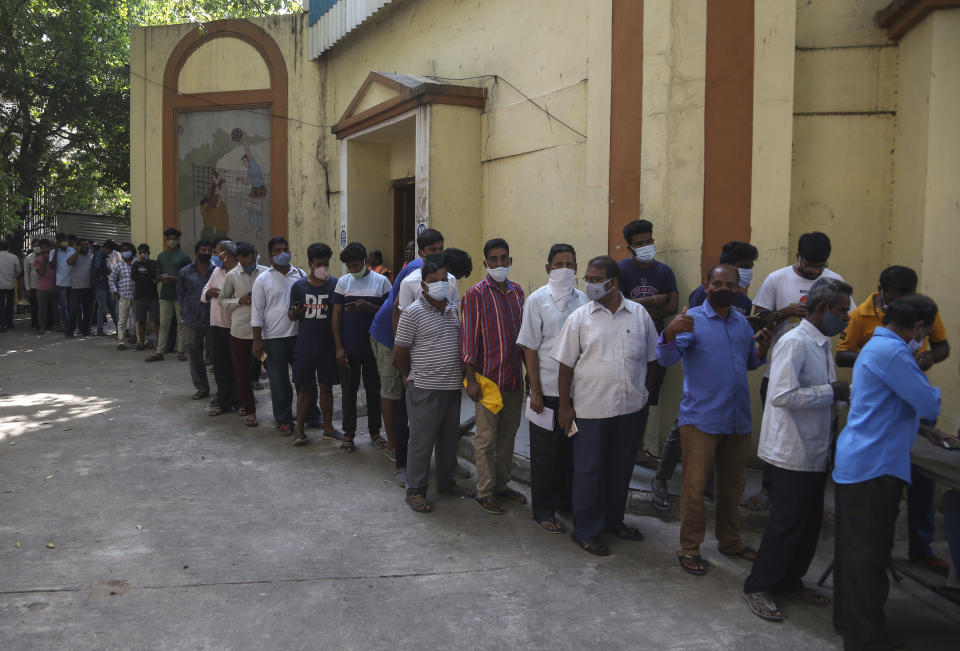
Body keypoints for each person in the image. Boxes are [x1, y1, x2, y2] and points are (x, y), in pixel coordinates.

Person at [832, 295, 945, 650]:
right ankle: (866, 639)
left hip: (864, 461)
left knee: (855, 554)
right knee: (869, 557)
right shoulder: (894, 353)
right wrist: (929, 398)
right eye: (924, 332)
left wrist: (922, 429)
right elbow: (928, 403)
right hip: (873, 467)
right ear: (918, 328)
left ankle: (848, 622)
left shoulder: (878, 345)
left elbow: (886, 403)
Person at [742, 277, 853, 622]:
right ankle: (758, 585)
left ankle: (790, 581)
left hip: (815, 448)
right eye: (841, 311)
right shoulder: (795, 342)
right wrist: (830, 392)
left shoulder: (820, 343)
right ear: (821, 309)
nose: (846, 318)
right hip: (791, 450)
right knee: (786, 523)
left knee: (808, 523)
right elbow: (782, 395)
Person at [657, 264, 772, 576]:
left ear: (739, 290)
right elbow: (666, 359)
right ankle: (690, 547)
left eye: (731, 285)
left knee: (732, 488)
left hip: (737, 419)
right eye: (718, 284)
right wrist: (669, 332)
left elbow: (750, 362)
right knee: (694, 489)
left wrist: (762, 349)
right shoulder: (692, 319)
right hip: (700, 420)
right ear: (706, 287)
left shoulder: (741, 324)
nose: (725, 289)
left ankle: (730, 541)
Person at [837, 265, 952, 575]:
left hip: (896, 420)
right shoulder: (883, 342)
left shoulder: (907, 327)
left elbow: (942, 346)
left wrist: (928, 359)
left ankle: (921, 546)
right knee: (869, 553)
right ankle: (861, 621)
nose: (923, 338)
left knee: (921, 487)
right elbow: (928, 399)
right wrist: (903, 372)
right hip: (875, 458)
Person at [553, 255, 657, 554]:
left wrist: (644, 394)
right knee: (589, 473)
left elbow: (651, 360)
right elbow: (565, 366)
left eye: (596, 279)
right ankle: (586, 530)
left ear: (614, 283)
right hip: (591, 412)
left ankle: (614, 522)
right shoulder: (580, 318)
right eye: (588, 278)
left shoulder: (639, 315)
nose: (590, 285)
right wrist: (564, 406)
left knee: (620, 470)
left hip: (630, 410)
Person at [746, 231, 853, 510]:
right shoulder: (777, 279)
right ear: (798, 257)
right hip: (780, 366)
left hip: (818, 363)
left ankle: (809, 489)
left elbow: (847, 321)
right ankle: (769, 489)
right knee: (780, 432)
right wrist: (784, 312)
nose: (814, 270)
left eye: (820, 266)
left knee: (819, 429)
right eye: (809, 265)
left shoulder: (834, 282)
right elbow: (756, 322)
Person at [651, 240, 759, 510]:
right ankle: (662, 478)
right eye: (744, 267)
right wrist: (671, 334)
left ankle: (726, 526)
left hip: (733, 408)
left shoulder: (741, 304)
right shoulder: (701, 301)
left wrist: (763, 346)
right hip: (701, 402)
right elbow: (674, 350)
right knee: (683, 435)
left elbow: (747, 356)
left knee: (729, 481)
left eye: (747, 271)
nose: (746, 274)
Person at [517, 243, 588, 534]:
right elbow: (530, 348)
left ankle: (567, 503)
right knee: (545, 453)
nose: (564, 269)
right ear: (547, 268)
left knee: (572, 452)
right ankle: (543, 509)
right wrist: (534, 390)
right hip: (545, 389)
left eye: (569, 264)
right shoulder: (536, 300)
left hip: (577, 392)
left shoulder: (583, 300)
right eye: (558, 264)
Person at [394, 261, 469, 513]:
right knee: (421, 442)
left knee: (448, 439)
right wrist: (407, 375)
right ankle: (415, 490)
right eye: (436, 280)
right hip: (424, 386)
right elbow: (400, 350)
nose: (443, 284)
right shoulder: (413, 312)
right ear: (424, 285)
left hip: (451, 386)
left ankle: (446, 482)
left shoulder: (451, 309)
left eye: (445, 279)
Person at [462, 237, 526, 515]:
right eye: (494, 259)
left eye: (504, 259)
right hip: (488, 380)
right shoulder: (475, 295)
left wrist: (529, 377)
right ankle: (485, 491)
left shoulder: (518, 293)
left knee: (508, 437)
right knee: (486, 440)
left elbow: (525, 338)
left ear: (510, 261)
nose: (499, 264)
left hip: (514, 378)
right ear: (486, 262)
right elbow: (467, 342)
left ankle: (502, 484)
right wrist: (472, 380)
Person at [616, 219, 679, 467]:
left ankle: (642, 447)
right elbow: (619, 305)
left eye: (649, 241)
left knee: (650, 393)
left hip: (656, 346)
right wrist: (655, 300)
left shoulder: (664, 272)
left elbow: (672, 306)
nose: (646, 246)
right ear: (630, 247)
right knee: (626, 392)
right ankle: (625, 447)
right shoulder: (620, 270)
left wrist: (638, 306)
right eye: (639, 244)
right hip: (627, 343)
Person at [332, 241, 392, 452]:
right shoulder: (343, 283)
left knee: (374, 391)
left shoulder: (382, 282)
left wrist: (367, 306)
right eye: (349, 267)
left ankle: (375, 432)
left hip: (375, 348)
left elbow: (389, 314)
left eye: (356, 265)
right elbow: (337, 315)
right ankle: (349, 434)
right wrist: (339, 347)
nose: (353, 270)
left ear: (365, 261)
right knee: (348, 391)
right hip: (349, 347)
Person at [250, 237, 312, 439]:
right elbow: (257, 311)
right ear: (270, 255)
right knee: (279, 382)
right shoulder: (263, 279)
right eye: (277, 250)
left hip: (299, 336)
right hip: (274, 338)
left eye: (286, 249)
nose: (283, 253)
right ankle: (283, 420)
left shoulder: (300, 275)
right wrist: (257, 340)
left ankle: (309, 415)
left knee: (304, 379)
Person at [288, 242, 343, 444]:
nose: (323, 268)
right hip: (305, 346)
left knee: (327, 387)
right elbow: (291, 315)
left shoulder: (335, 285)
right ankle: (300, 429)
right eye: (319, 264)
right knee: (304, 388)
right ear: (310, 263)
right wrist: (296, 312)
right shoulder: (299, 286)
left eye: (326, 264)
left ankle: (328, 427)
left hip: (328, 346)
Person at [219, 242, 267, 427]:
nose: (250, 265)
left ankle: (283, 412)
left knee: (270, 367)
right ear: (238, 259)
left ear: (256, 256)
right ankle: (250, 411)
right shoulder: (232, 276)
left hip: (262, 336)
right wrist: (239, 300)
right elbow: (222, 301)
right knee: (242, 374)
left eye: (252, 261)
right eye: (246, 263)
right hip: (240, 334)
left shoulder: (265, 273)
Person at [202, 240, 240, 416]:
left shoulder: (240, 272)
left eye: (216, 251)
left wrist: (224, 295)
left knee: (237, 366)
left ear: (226, 254)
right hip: (217, 325)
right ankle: (223, 401)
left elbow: (242, 298)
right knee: (220, 366)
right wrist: (208, 294)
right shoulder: (216, 271)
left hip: (236, 326)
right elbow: (207, 289)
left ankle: (239, 400)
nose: (214, 255)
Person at [178, 239, 215, 401]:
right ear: (197, 252)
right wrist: (185, 314)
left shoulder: (217, 271)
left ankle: (223, 389)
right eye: (203, 250)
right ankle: (202, 388)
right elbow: (180, 295)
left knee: (217, 356)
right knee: (194, 355)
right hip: (192, 319)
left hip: (214, 319)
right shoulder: (185, 272)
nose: (206, 253)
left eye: (209, 251)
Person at [148, 227, 191, 361]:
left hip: (180, 294)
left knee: (181, 323)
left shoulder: (184, 257)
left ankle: (181, 351)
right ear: (166, 240)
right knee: (164, 323)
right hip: (165, 294)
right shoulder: (161, 256)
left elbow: (189, 276)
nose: (172, 241)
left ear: (178, 240)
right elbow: (157, 273)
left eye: (174, 239)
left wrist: (175, 279)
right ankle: (160, 352)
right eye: (169, 239)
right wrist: (161, 278)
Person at [131, 244, 160, 351]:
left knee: (156, 321)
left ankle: (160, 344)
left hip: (153, 297)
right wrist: (149, 278)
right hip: (139, 297)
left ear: (149, 252)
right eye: (141, 252)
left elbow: (155, 276)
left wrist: (146, 271)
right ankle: (141, 343)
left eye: (145, 252)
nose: (143, 254)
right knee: (140, 321)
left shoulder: (154, 263)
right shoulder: (135, 264)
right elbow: (134, 277)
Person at [109, 242, 136, 349]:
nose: (125, 252)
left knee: (135, 318)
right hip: (123, 296)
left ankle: (134, 336)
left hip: (136, 295)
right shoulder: (118, 265)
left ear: (132, 251)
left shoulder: (137, 263)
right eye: (123, 250)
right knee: (122, 320)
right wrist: (116, 292)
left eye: (127, 249)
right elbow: (112, 280)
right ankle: (121, 341)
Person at [65, 238, 94, 338]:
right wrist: (77, 251)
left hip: (89, 287)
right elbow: (69, 262)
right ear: (78, 246)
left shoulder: (91, 254)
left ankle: (85, 330)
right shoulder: (75, 254)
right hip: (76, 287)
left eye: (87, 244)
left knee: (88, 312)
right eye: (83, 245)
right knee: (73, 311)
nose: (86, 246)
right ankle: (70, 332)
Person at [92, 240, 120, 337]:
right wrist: (101, 275)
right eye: (111, 250)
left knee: (111, 307)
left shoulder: (103, 256)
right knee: (103, 308)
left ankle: (118, 328)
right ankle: (100, 330)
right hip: (101, 286)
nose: (111, 252)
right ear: (106, 248)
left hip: (106, 285)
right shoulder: (99, 256)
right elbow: (96, 270)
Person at [49, 232, 75, 330]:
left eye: (63, 239)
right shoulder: (53, 252)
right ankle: (66, 325)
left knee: (72, 306)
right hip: (61, 283)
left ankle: (72, 325)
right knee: (63, 306)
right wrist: (56, 251)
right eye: (59, 240)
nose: (61, 241)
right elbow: (52, 265)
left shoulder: (72, 250)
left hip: (72, 281)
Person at [0, 240, 21, 332]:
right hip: (10, 285)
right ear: (8, 248)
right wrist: (14, 276)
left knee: (0, 305)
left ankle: (2, 324)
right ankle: (9, 323)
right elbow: (19, 270)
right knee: (9, 305)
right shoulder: (14, 257)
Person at [23, 239, 39, 331]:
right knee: (34, 307)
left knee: (43, 307)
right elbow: (26, 274)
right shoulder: (28, 258)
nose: (37, 248)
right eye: (35, 246)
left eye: (38, 245)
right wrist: (27, 288)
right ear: (32, 246)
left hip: (43, 286)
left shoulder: (45, 256)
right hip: (33, 286)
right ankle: (35, 324)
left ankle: (43, 324)